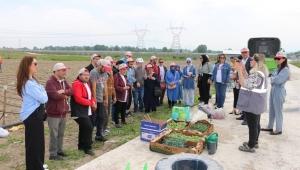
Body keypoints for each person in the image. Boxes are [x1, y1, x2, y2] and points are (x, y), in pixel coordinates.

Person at [16, 56, 48, 169]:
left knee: (38, 143)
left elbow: (43, 93)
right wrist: (42, 92)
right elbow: (44, 98)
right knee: (34, 144)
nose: (37, 65)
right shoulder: (28, 83)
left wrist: (42, 92)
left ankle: (37, 166)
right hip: (32, 115)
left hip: (36, 114)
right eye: (35, 63)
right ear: (28, 65)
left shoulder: (32, 80)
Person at [235, 53, 269, 153]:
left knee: (252, 126)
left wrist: (240, 72)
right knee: (256, 124)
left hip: (253, 103)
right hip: (257, 103)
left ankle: (250, 146)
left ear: (257, 62)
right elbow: (249, 79)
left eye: (252, 59)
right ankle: (255, 141)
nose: (250, 60)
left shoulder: (258, 74)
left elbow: (244, 84)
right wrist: (244, 71)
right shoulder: (260, 73)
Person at [45, 63, 74, 161]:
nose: (65, 72)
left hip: (63, 112)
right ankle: (53, 154)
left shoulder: (63, 81)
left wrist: (63, 91)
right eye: (63, 70)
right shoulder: (50, 82)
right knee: (54, 134)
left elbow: (71, 91)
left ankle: (59, 150)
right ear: (57, 71)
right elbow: (54, 95)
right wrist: (65, 95)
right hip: (53, 113)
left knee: (60, 133)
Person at [261, 51, 290, 135]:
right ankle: (270, 126)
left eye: (278, 58)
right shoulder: (278, 68)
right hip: (274, 89)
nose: (276, 60)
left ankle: (279, 129)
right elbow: (273, 77)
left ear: (284, 59)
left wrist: (273, 79)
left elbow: (276, 80)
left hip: (279, 90)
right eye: (276, 58)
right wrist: (274, 79)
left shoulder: (285, 69)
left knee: (278, 110)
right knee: (272, 109)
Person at [70, 68, 96, 156]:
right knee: (89, 127)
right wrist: (91, 103)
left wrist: (92, 101)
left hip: (85, 110)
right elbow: (78, 98)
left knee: (83, 128)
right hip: (78, 111)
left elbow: (90, 95)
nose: (86, 77)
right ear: (79, 75)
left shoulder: (87, 84)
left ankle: (81, 146)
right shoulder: (77, 84)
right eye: (84, 75)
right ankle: (87, 148)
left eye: (88, 75)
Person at [90, 59, 111, 141]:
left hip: (101, 99)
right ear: (100, 65)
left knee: (101, 117)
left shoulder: (104, 72)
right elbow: (93, 88)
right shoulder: (94, 72)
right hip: (95, 99)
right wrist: (94, 102)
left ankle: (98, 135)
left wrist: (105, 98)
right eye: (104, 68)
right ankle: (89, 138)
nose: (105, 70)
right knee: (93, 119)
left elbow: (104, 85)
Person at [236, 47, 252, 125]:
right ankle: (243, 115)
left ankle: (247, 118)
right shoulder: (240, 61)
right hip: (240, 82)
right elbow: (237, 70)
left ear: (248, 52)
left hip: (247, 83)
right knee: (242, 99)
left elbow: (251, 72)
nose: (244, 54)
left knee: (247, 101)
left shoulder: (251, 60)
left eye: (245, 52)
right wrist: (238, 79)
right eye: (243, 52)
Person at [114, 63, 130, 128]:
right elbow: (115, 86)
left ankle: (123, 120)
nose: (125, 70)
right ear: (120, 69)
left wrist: (128, 85)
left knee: (123, 109)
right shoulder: (116, 76)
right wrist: (123, 88)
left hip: (125, 95)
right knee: (117, 110)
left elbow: (127, 82)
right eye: (123, 69)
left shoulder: (125, 76)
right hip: (119, 96)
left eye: (125, 69)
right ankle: (116, 122)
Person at [103, 56, 117, 133]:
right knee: (104, 112)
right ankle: (103, 127)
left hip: (110, 94)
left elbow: (112, 85)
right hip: (104, 95)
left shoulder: (111, 72)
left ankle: (105, 125)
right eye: (110, 63)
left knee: (108, 112)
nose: (111, 64)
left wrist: (114, 95)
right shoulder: (103, 73)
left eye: (112, 63)